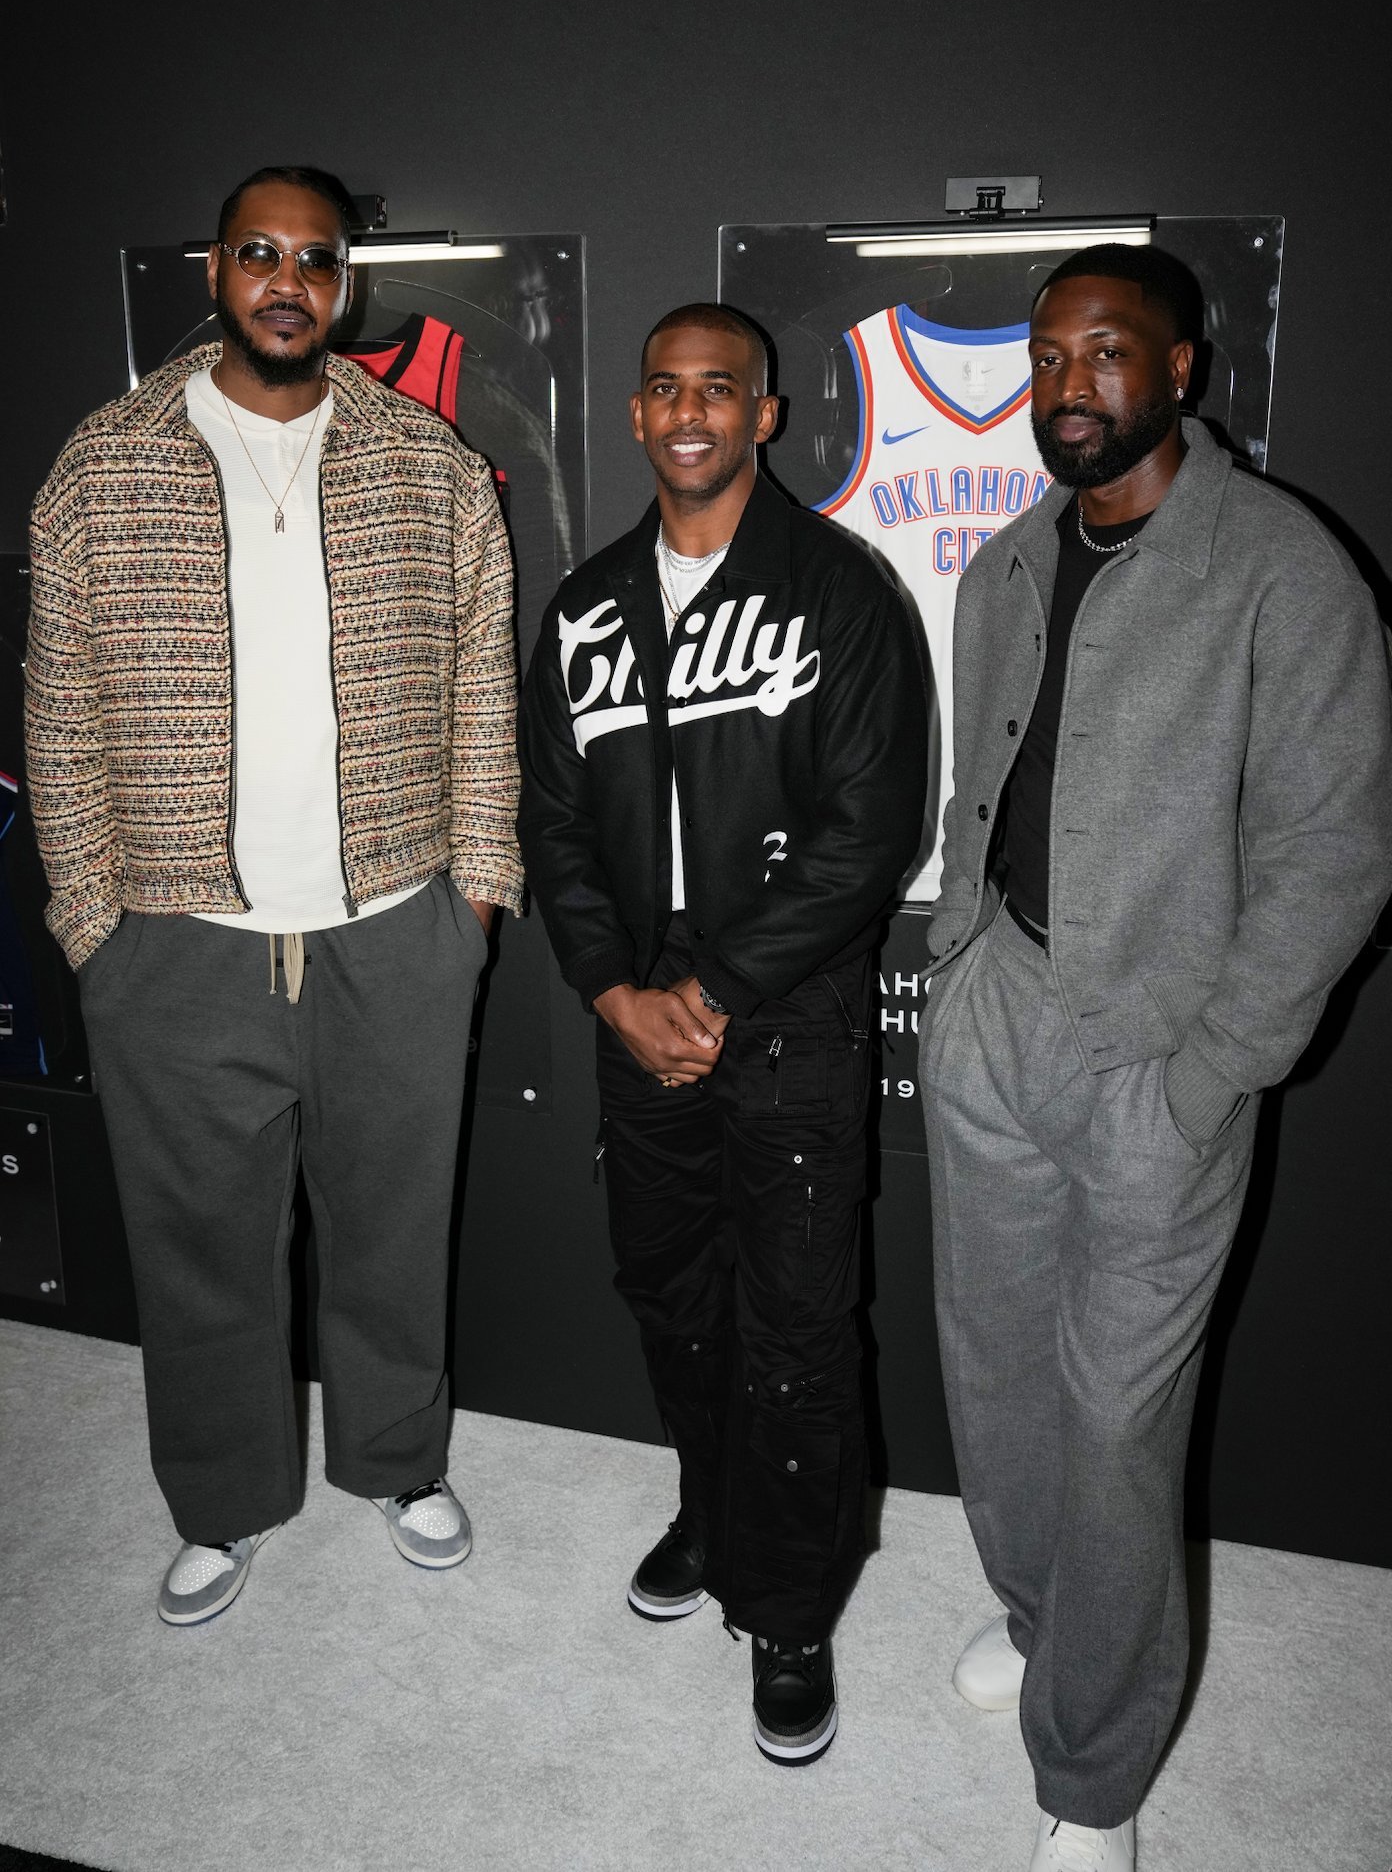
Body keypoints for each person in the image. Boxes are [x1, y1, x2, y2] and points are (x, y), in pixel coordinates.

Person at [918, 242, 1392, 1869]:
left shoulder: (1282, 569)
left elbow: (1336, 854)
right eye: (1047, 357)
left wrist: (1212, 1072)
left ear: (1180, 368)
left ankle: (1096, 1772)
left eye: (1106, 351)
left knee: (1118, 1425)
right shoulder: (1005, 564)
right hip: (997, 1012)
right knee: (992, 1376)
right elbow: (981, 786)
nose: (1070, 383)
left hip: (1160, 1057)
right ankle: (1040, 1616)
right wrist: (956, 959)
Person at [24, 165, 522, 1623]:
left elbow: (483, 692)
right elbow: (58, 711)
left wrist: (476, 898)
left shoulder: (426, 462)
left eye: (315, 258)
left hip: (396, 928)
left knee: (393, 1227)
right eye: (260, 253)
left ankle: (397, 1460)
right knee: (200, 1248)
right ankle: (224, 1498)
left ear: (345, 284)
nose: (287, 282)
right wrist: (93, 922)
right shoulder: (104, 462)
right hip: (176, 940)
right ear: (216, 271)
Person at [517, 303, 926, 1762]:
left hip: (790, 1000)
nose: (690, 411)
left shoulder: (841, 589)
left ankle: (791, 1604)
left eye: (720, 389)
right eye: (666, 389)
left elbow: (870, 832)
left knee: (798, 1326)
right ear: (637, 414)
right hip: (637, 999)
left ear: (766, 414)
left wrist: (721, 990)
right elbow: (554, 823)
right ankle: (711, 1505)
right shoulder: (585, 607)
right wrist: (612, 992)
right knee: (672, 1290)